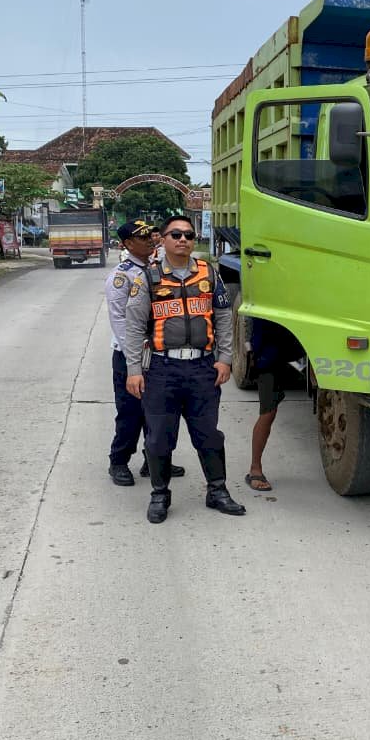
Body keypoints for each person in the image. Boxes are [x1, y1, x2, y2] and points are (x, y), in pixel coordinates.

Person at [124, 214, 246, 524]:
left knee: (208, 435)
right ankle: (159, 494)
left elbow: (222, 317)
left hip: (203, 368)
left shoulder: (208, 273)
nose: (183, 240)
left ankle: (217, 490)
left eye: (188, 235)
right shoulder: (148, 278)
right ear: (161, 240)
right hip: (162, 370)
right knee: (159, 438)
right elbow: (135, 327)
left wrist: (225, 359)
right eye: (175, 234)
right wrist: (134, 369)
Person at [104, 219, 186, 487]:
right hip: (132, 355)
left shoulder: (157, 269)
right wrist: (134, 359)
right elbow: (120, 321)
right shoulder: (122, 276)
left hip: (159, 353)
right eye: (142, 238)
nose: (151, 240)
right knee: (131, 413)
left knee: (160, 412)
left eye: (150, 235)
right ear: (128, 244)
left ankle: (154, 460)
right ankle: (118, 462)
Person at [245, 317, 303, 492]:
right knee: (268, 412)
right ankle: (255, 469)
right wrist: (253, 351)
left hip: (302, 350)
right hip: (269, 355)